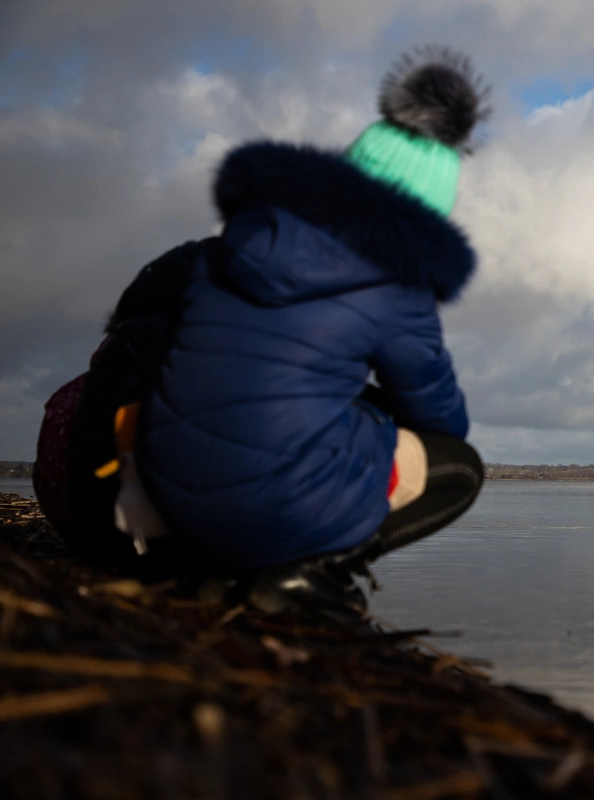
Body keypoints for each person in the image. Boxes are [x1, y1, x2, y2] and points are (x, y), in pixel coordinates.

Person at [41, 47, 490, 621]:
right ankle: (305, 576)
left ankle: (202, 565)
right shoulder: (398, 290)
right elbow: (441, 421)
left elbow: (137, 305)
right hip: (275, 505)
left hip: (165, 491)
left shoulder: (225, 248)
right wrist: (363, 407)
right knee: (459, 468)